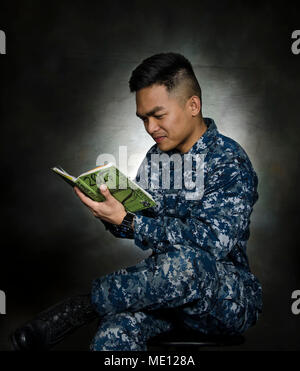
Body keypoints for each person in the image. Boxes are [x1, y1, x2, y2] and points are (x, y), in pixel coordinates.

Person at [11, 52, 262, 351]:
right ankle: (98, 308)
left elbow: (211, 243)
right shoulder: (157, 158)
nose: (150, 127)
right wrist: (112, 214)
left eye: (158, 115)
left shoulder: (228, 160)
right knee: (115, 330)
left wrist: (132, 222)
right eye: (144, 118)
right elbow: (140, 224)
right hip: (164, 293)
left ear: (192, 105)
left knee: (189, 263)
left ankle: (84, 306)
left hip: (223, 300)